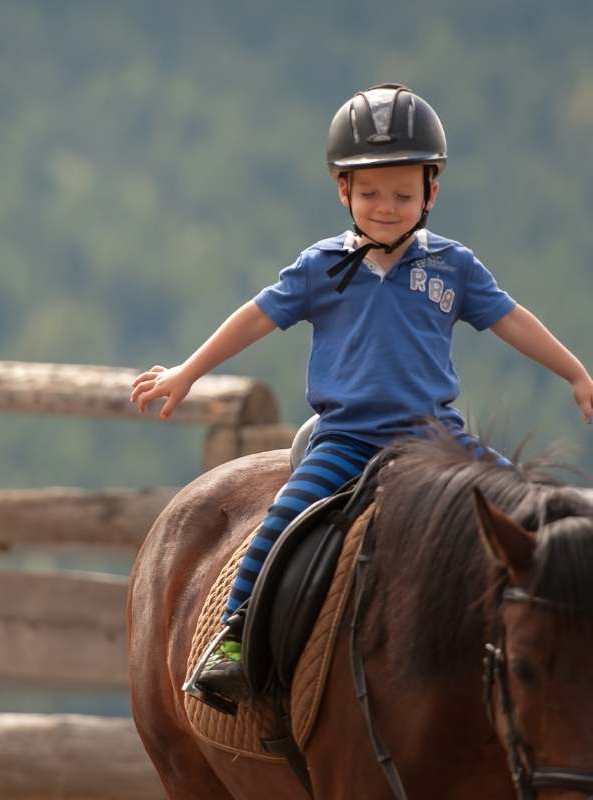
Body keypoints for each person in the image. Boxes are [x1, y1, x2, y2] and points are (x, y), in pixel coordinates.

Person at [130, 83, 593, 704]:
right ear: (342, 190)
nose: (386, 207)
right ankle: (236, 639)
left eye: (403, 194)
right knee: (281, 524)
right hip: (346, 440)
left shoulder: (453, 266)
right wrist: (189, 371)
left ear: (431, 193)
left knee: (526, 507)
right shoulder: (320, 266)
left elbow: (512, 320)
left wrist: (576, 373)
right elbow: (256, 317)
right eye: (370, 192)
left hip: (435, 438)